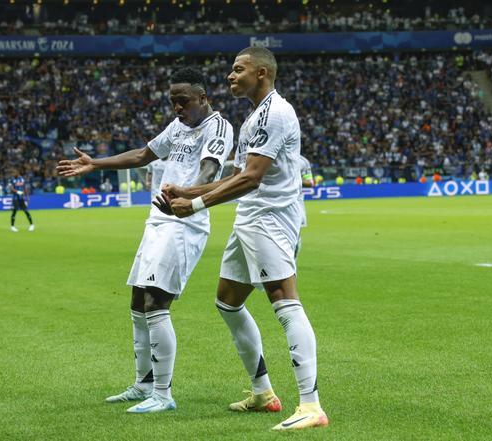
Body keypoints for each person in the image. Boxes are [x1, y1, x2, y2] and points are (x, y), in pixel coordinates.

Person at [158, 47, 328, 431]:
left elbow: (251, 178)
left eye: (238, 70)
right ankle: (264, 393)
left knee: (285, 300)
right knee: (228, 301)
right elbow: (238, 177)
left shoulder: (274, 113)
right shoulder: (254, 115)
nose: (229, 77)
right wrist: (186, 191)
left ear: (262, 73)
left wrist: (196, 204)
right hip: (249, 218)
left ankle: (311, 405)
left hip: (270, 220)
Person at [56, 67, 233, 414]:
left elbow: (210, 170)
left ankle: (163, 394)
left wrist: (186, 195)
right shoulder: (178, 127)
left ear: (202, 98)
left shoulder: (218, 127)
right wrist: (95, 164)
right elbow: (143, 155)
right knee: (138, 301)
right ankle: (143, 384)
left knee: (156, 303)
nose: (177, 108)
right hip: (158, 220)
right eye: (173, 102)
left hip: (184, 223)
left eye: (183, 101)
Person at [295, 155, 314, 259]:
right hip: (272, 203)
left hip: (296, 204)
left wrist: (293, 179)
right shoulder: (270, 156)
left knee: (295, 238)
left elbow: (310, 182)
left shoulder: (302, 161)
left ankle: (292, 266)